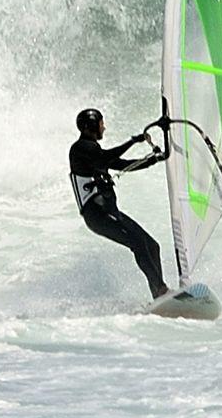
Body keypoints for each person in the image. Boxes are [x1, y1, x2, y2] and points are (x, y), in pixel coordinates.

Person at [68, 108, 170, 299]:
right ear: (91, 127)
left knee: (152, 245)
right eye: (101, 124)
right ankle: (161, 290)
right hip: (97, 215)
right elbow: (107, 157)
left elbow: (122, 164)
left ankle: (159, 296)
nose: (104, 128)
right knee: (138, 243)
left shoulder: (93, 152)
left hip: (109, 212)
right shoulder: (80, 148)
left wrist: (154, 159)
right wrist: (133, 141)